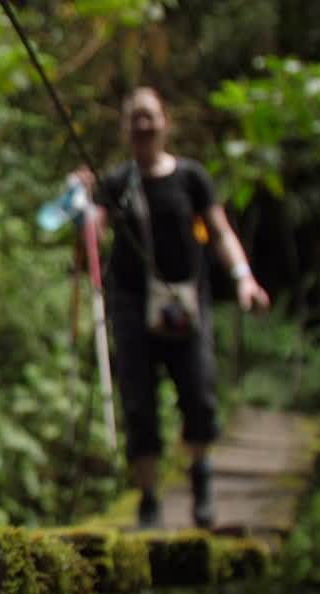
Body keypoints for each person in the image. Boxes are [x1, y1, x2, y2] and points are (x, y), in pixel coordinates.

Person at [76, 87, 270, 529]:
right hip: (131, 306)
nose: (144, 125)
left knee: (199, 396)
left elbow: (219, 232)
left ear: (166, 121)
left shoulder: (191, 178)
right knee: (139, 406)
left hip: (184, 305)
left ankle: (200, 478)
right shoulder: (115, 182)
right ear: (125, 128)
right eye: (135, 118)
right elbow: (92, 233)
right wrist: (83, 203)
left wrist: (244, 279)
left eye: (150, 116)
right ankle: (148, 501)